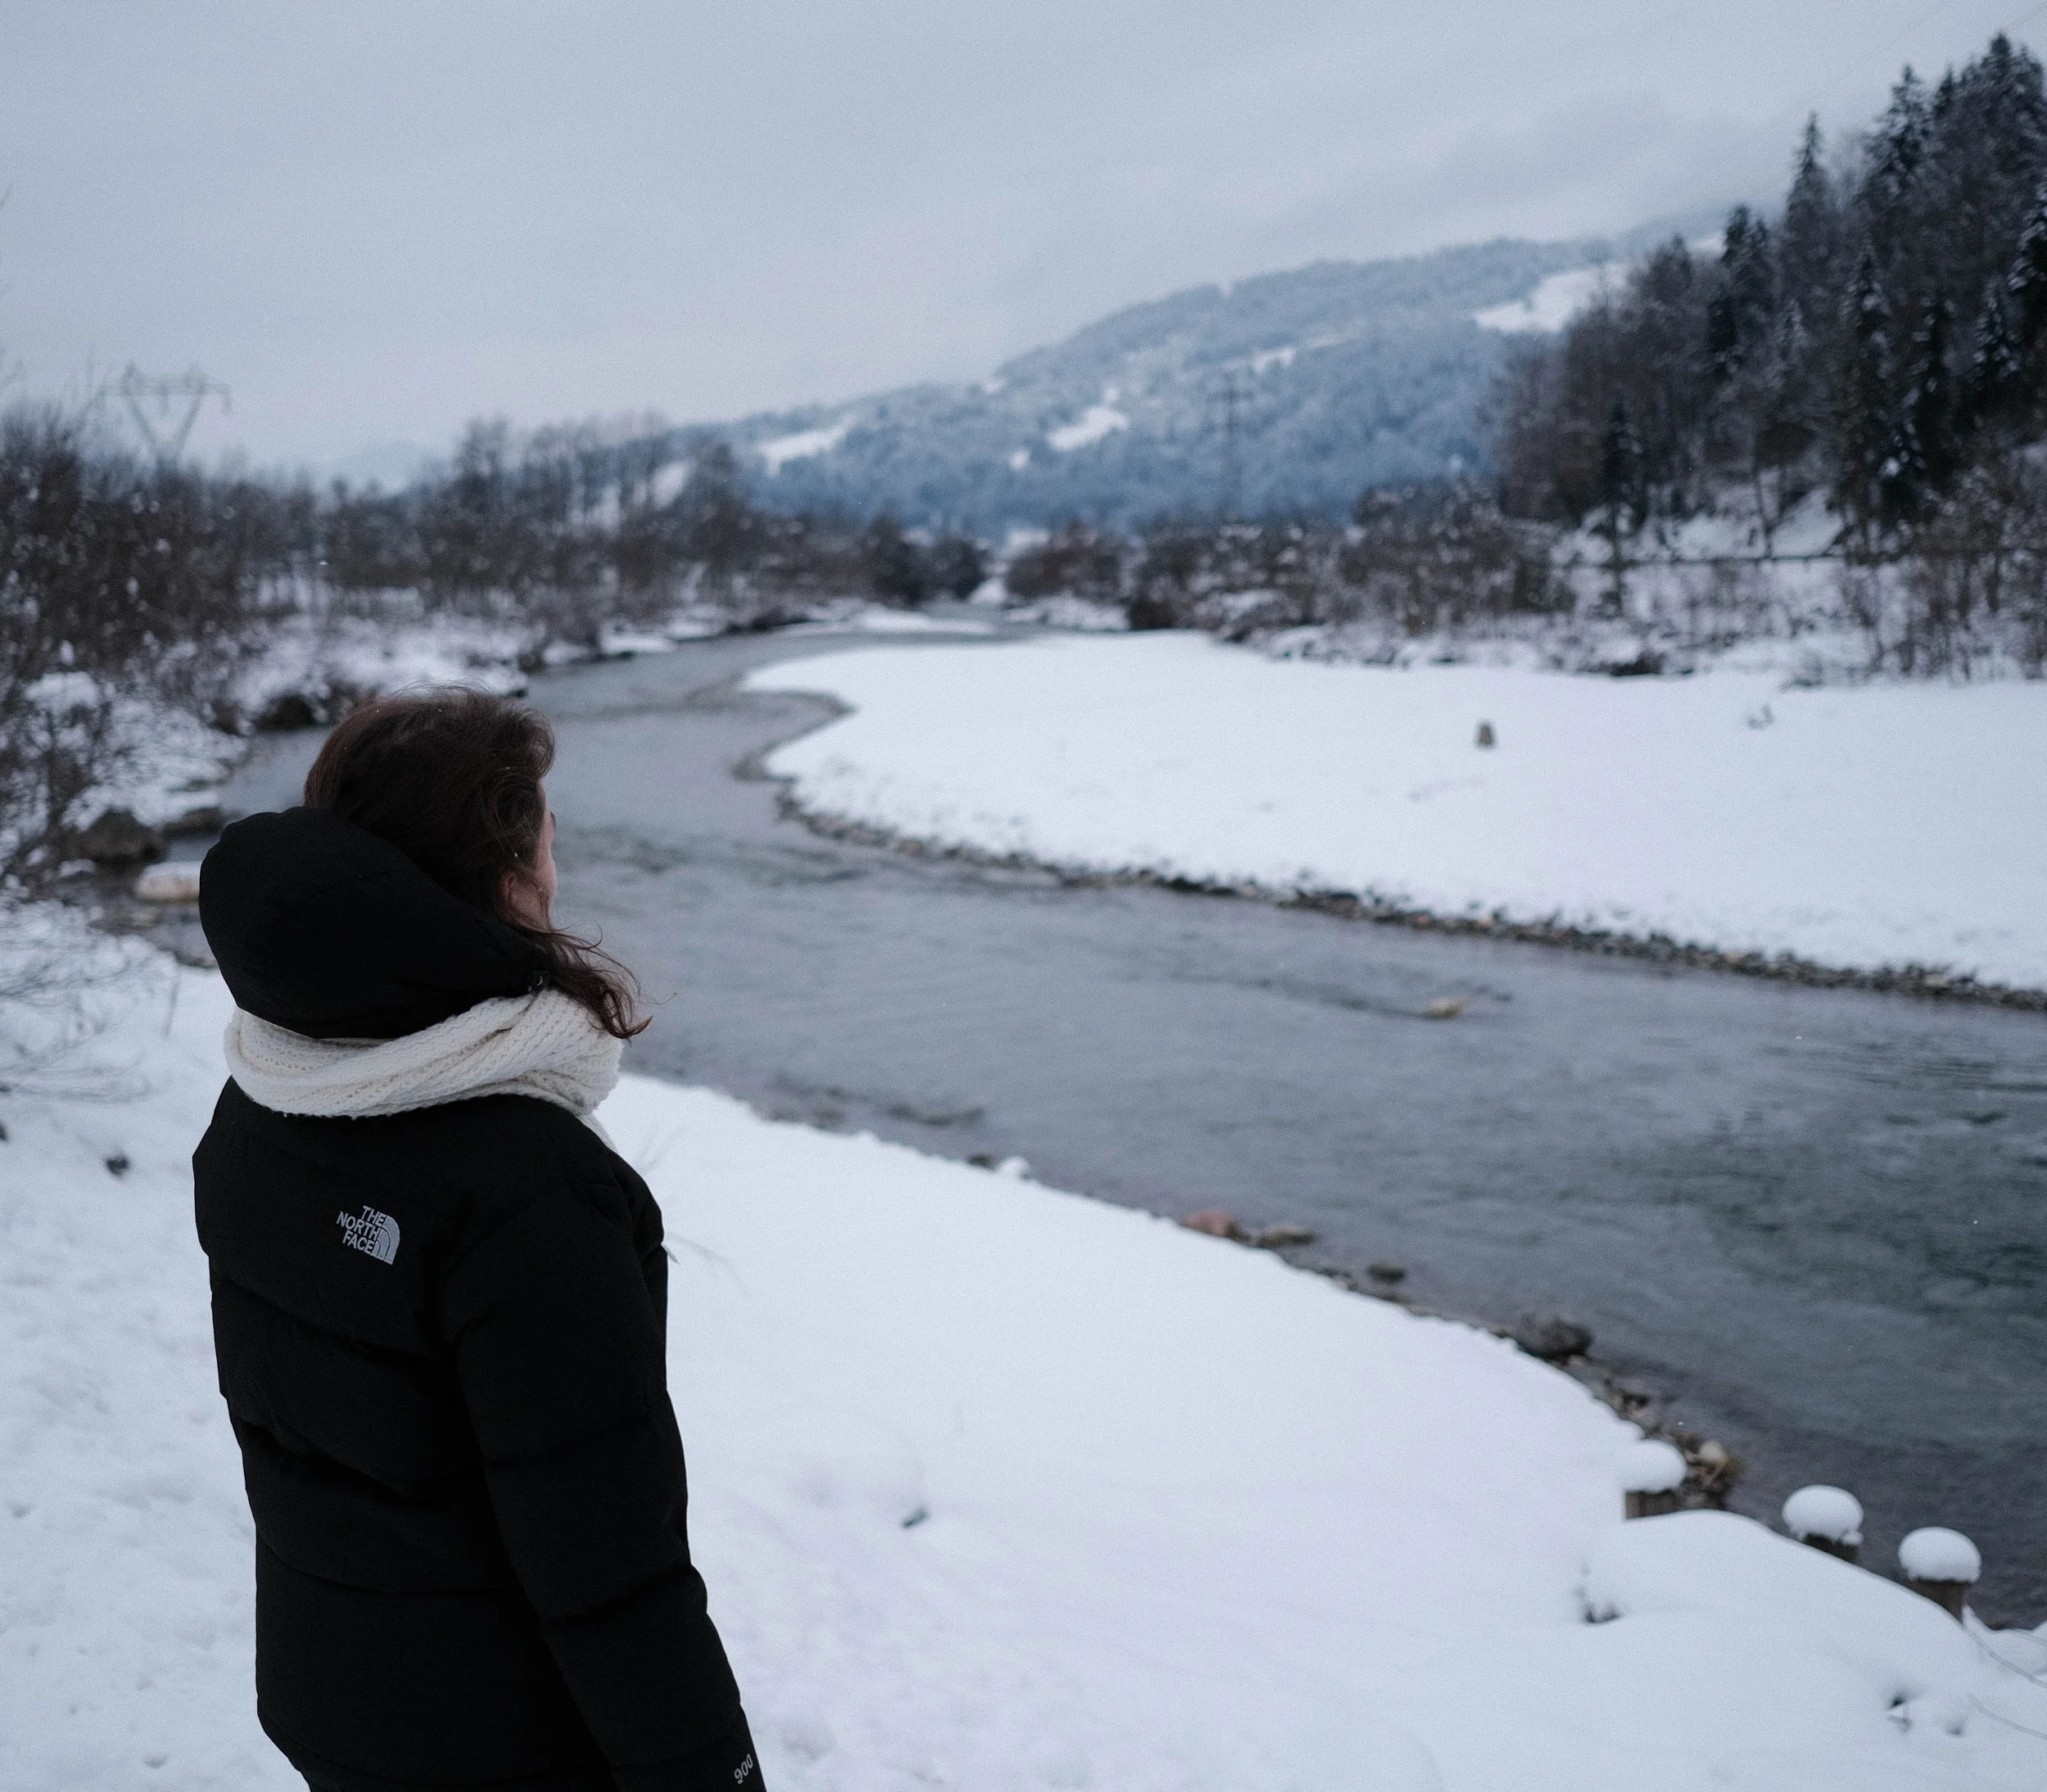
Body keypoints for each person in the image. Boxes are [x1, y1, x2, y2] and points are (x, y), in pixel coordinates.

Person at [193, 688, 761, 1792]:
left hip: (328, 1691)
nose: (558, 863)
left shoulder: (266, 1096)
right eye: (544, 836)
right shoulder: (529, 1192)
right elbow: (609, 1567)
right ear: (505, 878)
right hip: (501, 1743)